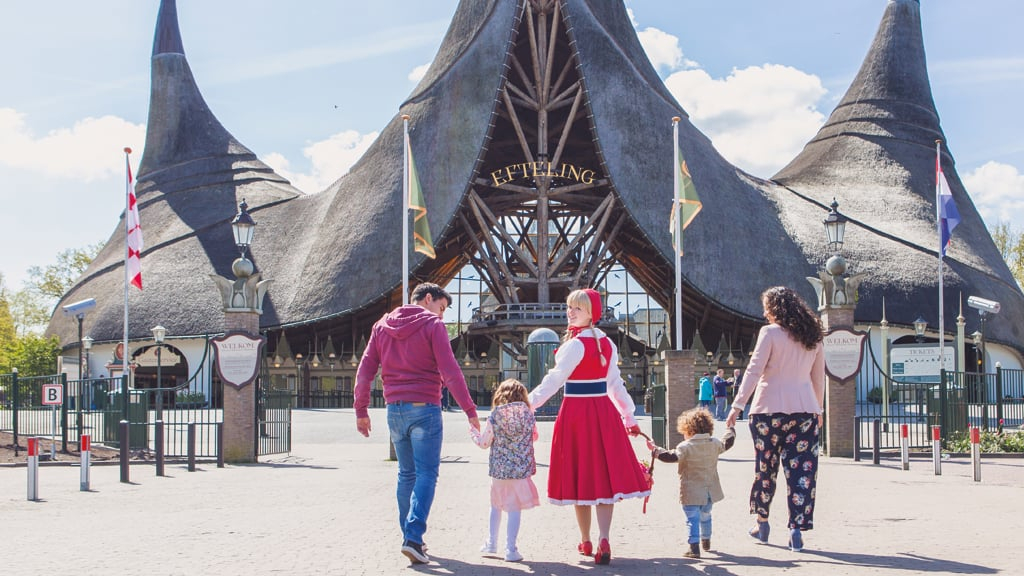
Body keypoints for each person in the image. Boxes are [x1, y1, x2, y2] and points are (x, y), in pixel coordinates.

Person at [354, 282, 481, 565]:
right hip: (425, 407)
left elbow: (365, 371)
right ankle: (413, 537)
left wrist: (361, 409)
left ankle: (411, 538)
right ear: (427, 299)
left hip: (394, 410)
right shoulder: (432, 326)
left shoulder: (381, 326)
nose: (442, 316)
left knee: (406, 474)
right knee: (426, 474)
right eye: (442, 307)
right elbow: (450, 371)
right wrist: (470, 411)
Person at [528, 288, 650, 565]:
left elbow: (554, 380)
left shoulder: (575, 345)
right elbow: (615, 384)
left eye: (578, 309)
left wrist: (529, 402)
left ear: (591, 314)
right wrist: (628, 416)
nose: (571, 312)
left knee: (581, 475)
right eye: (570, 307)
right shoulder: (607, 343)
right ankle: (604, 538)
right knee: (603, 477)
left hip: (576, 413)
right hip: (603, 413)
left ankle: (586, 540)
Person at [725, 286, 825, 553]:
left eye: (766, 307)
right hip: (804, 411)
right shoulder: (814, 335)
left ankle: (762, 523)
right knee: (802, 473)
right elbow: (818, 377)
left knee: (765, 468)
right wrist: (819, 410)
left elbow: (754, 370)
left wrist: (737, 405)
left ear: (775, 309)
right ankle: (795, 531)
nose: (764, 312)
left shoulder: (769, 333)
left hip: (768, 411)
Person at [646, 407, 736, 559]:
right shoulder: (714, 443)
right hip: (710, 491)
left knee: (692, 518)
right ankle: (706, 540)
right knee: (706, 515)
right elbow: (728, 442)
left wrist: (655, 450)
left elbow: (670, 457)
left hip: (691, 491)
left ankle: (694, 547)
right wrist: (731, 428)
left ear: (688, 430)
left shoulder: (685, 447)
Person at [470, 379, 540, 562]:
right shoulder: (529, 415)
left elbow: (484, 443)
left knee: (496, 506)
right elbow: (535, 437)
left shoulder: (495, 416)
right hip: (520, 471)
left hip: (499, 471)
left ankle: (491, 543)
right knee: (514, 508)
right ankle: (511, 549)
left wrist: (473, 433)